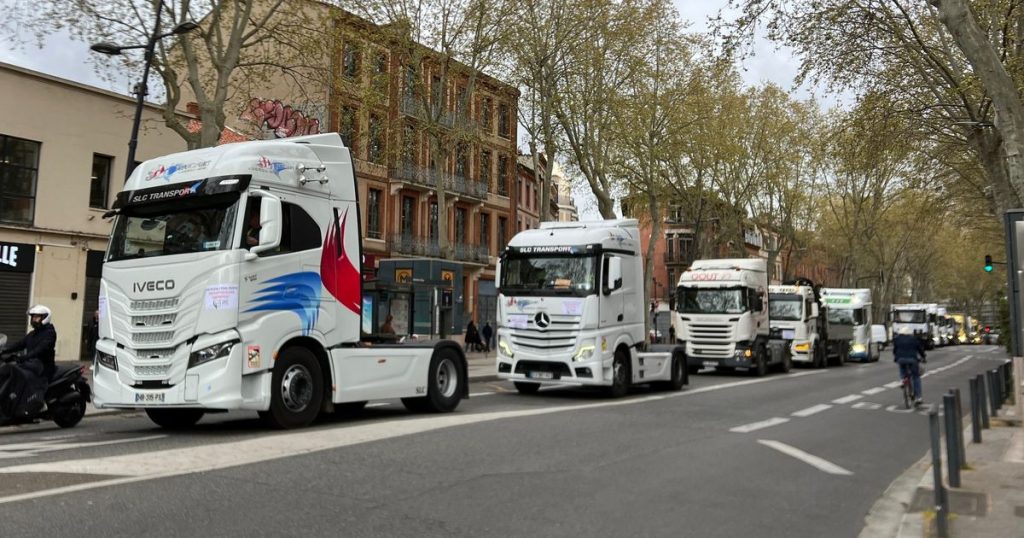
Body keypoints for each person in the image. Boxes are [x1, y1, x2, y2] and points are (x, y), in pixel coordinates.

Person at [0, 305, 57, 420]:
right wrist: (4, 351)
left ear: (44, 318)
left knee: (24, 377)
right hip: (32, 363)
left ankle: (38, 403)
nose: (34, 320)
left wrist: (24, 357)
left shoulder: (50, 333)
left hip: (43, 366)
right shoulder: (33, 333)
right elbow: (20, 344)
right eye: (33, 317)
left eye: (37, 317)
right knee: (10, 370)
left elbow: (40, 349)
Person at [892, 326, 926, 405]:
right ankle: (918, 397)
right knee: (916, 377)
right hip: (912, 360)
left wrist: (896, 357)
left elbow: (895, 350)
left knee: (902, 369)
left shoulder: (897, 339)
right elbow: (919, 349)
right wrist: (923, 357)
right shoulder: (914, 339)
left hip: (901, 359)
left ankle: (903, 380)